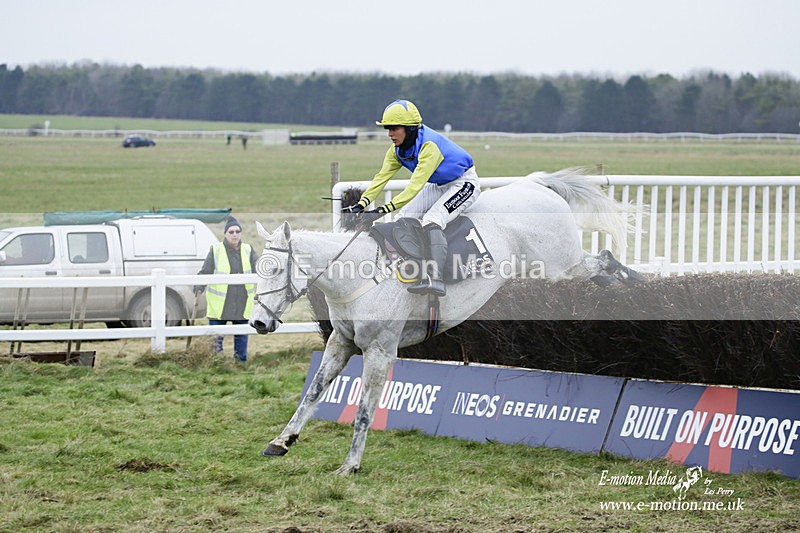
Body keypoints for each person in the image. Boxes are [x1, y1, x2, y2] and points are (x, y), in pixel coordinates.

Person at [350, 99, 480, 297]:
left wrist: (382, 210)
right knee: (406, 216)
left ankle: (435, 278)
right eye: (387, 129)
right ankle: (415, 266)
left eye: (394, 129)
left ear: (410, 129)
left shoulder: (429, 147)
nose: (389, 134)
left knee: (432, 220)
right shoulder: (396, 150)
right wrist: (362, 203)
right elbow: (381, 177)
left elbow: (414, 187)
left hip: (463, 183)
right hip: (439, 184)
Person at [194, 216, 258, 363]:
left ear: (241, 233)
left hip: (242, 303)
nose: (234, 234)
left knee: (241, 338)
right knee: (215, 341)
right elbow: (206, 271)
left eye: (237, 231)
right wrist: (199, 285)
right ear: (225, 234)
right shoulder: (216, 250)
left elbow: (258, 266)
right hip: (220, 306)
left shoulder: (248, 250)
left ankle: (240, 364)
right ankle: (216, 364)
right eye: (231, 232)